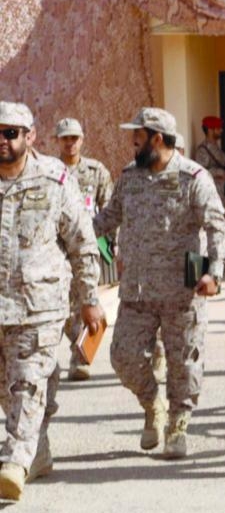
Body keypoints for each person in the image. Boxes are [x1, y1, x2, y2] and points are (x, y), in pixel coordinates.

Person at [93, 107, 225, 460]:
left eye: (137, 135)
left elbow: (216, 226)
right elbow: (108, 218)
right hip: (137, 289)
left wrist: (214, 272)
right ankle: (153, 404)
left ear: (156, 138)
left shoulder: (193, 177)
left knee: (184, 365)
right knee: (123, 357)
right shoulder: (129, 177)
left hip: (183, 291)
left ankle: (178, 425)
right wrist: (68, 232)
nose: (132, 141)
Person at [0, 101, 102, 502]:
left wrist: (89, 298)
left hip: (39, 306)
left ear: (31, 137)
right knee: (9, 388)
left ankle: (14, 462)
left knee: (27, 383)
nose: (3, 140)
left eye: (11, 133)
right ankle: (37, 451)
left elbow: (82, 243)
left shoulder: (54, 178)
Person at [54, 117, 114, 381]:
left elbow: (109, 207)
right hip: (58, 248)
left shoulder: (96, 171)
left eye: (74, 138)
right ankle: (77, 344)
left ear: (82, 139)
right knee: (64, 305)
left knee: (85, 299)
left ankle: (79, 359)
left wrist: (112, 242)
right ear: (57, 141)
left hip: (86, 247)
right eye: (65, 138)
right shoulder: (51, 170)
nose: (70, 143)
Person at [193, 115, 225, 205]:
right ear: (210, 130)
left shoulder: (217, 147)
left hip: (222, 195)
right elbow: (199, 173)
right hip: (211, 197)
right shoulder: (203, 150)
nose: (221, 130)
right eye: (218, 128)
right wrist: (218, 172)